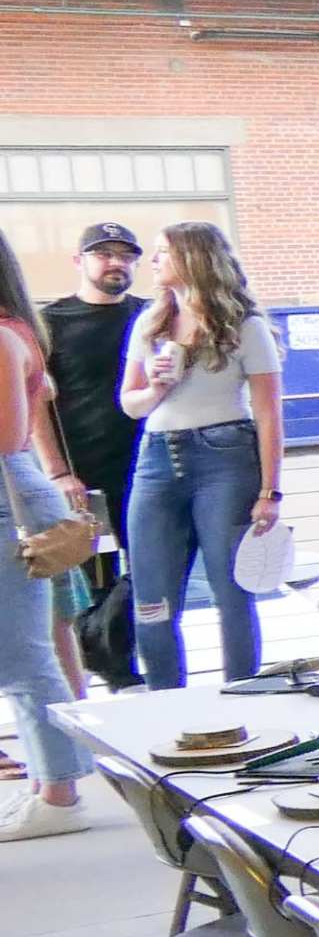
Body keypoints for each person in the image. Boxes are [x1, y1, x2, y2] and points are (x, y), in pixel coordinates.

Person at [117, 220, 280, 688]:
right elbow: (130, 404)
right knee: (152, 594)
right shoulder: (149, 323)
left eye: (162, 252)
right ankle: (167, 701)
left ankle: (242, 696)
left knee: (231, 589)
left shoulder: (243, 325)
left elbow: (269, 413)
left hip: (225, 455)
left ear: (192, 258)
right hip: (156, 457)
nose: (153, 261)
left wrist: (270, 490)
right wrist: (157, 386)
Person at [0, 236, 97, 835]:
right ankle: (48, 782)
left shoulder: (4, 337)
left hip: (7, 495)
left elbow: (9, 436)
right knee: (23, 648)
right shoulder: (15, 331)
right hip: (15, 493)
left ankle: (60, 793)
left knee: (23, 652)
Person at [39, 221, 147, 689]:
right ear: (79, 261)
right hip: (88, 480)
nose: (115, 263)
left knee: (154, 570)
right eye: (104, 254)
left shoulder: (152, 314)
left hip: (151, 471)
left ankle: (102, 648)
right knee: (100, 580)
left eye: (125, 255)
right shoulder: (51, 322)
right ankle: (118, 671)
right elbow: (36, 401)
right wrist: (58, 471)